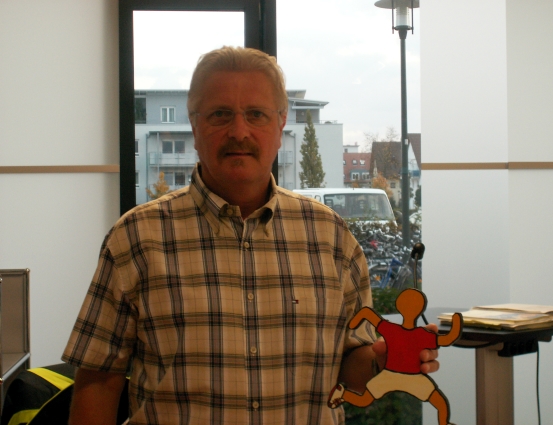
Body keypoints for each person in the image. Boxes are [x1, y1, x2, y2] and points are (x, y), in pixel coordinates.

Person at [62, 46, 439, 425]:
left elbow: (351, 368)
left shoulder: (331, 238)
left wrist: (382, 359)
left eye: (256, 114)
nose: (239, 131)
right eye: (220, 114)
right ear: (194, 126)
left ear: (280, 124)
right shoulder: (136, 239)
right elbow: (99, 381)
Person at [327, 289, 462, 425]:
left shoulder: (396, 330)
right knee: (440, 403)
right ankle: (342, 394)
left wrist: (356, 320)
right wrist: (456, 322)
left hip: (400, 376)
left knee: (364, 399)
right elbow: (448, 338)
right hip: (399, 376)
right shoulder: (417, 333)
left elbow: (368, 314)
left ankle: (342, 394)